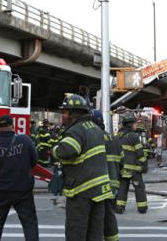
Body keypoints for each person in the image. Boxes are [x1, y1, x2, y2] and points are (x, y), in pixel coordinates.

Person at [52, 94, 113, 241]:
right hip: (99, 190)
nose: (63, 116)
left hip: (82, 191)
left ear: (73, 113)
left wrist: (54, 150)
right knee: (95, 232)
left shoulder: (76, 130)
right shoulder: (96, 129)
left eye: (65, 112)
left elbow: (66, 150)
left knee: (76, 231)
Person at [0, 115, 39, 241]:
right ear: (12, 126)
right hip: (23, 190)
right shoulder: (25, 140)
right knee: (29, 223)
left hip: (0, 190)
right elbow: (34, 161)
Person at [91, 109, 120, 241]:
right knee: (109, 216)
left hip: (97, 185)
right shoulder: (113, 139)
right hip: (112, 185)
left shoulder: (93, 137)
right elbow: (122, 160)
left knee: (96, 219)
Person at [115, 111, 148, 214]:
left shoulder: (118, 136)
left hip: (123, 169)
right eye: (134, 123)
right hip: (134, 169)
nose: (136, 125)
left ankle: (119, 207)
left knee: (123, 187)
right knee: (139, 188)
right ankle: (142, 208)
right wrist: (144, 164)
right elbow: (140, 153)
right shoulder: (133, 136)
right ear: (130, 124)